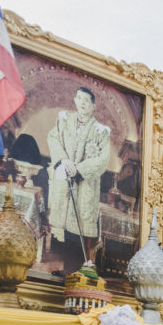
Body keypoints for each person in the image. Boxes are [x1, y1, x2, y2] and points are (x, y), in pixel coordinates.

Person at [47, 87, 111, 275]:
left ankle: (74, 272)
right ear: (75, 100)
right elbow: (53, 138)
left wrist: (79, 169)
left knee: (79, 229)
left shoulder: (101, 131)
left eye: (87, 101)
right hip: (65, 178)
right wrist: (64, 161)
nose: (82, 103)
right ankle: (67, 270)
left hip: (85, 185)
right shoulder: (64, 120)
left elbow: (102, 160)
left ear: (93, 106)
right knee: (65, 227)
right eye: (79, 99)